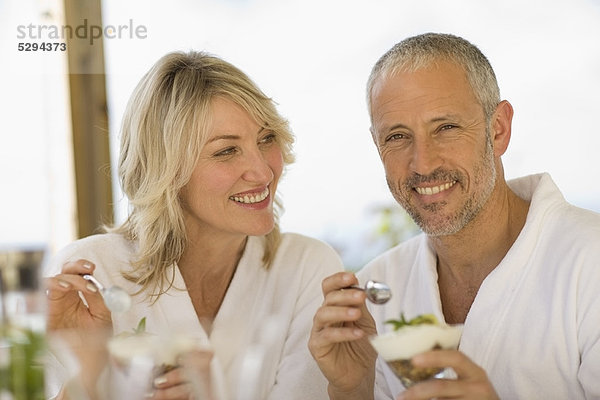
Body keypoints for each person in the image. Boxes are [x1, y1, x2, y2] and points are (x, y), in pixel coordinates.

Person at [309, 32, 600, 400]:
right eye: (397, 136)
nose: (423, 163)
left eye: (446, 128)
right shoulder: (376, 292)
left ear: (498, 129)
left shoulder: (591, 265)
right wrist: (352, 388)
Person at [44, 50, 343, 400]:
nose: (262, 172)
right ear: (166, 171)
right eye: (226, 151)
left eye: (266, 139)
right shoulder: (90, 277)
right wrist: (90, 376)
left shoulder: (306, 268)